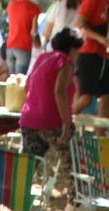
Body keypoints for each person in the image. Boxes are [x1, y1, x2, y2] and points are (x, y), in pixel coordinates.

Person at [16, 27, 79, 175]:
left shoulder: (42, 58)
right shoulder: (65, 62)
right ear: (72, 48)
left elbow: (27, 86)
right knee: (74, 166)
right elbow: (60, 92)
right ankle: (77, 196)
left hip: (29, 119)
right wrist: (66, 124)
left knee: (26, 168)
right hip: (51, 121)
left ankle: (16, 195)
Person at [71, 0, 109, 120]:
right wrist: (100, 39)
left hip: (102, 54)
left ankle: (100, 136)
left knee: (108, 96)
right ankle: (60, 123)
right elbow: (80, 24)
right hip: (88, 53)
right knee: (86, 98)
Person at [4, 0, 42, 75]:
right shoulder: (34, 8)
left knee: (11, 79)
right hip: (23, 47)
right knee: (19, 80)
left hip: (10, 46)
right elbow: (34, 31)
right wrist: (39, 44)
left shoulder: (11, 5)